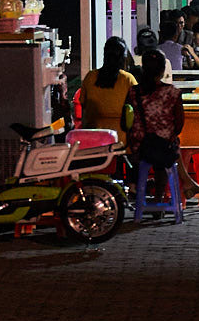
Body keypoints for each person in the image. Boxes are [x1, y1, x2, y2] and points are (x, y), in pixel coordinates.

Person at [125, 50, 187, 206]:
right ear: (162, 70)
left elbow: (126, 120)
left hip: (139, 148)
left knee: (157, 150)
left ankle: (140, 194)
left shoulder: (133, 92)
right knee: (167, 151)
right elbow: (179, 125)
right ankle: (159, 198)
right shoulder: (173, 92)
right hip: (164, 148)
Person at [78, 37, 137, 144]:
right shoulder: (128, 79)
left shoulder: (90, 77)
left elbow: (84, 106)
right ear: (123, 58)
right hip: (122, 141)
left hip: (94, 140)